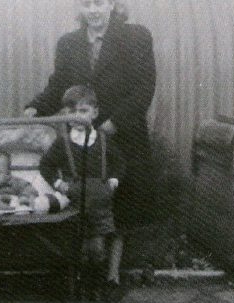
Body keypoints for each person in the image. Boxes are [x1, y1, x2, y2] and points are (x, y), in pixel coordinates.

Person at [25, 0, 157, 231]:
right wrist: (35, 108)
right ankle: (85, 264)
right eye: (86, 4)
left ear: (112, 4)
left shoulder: (136, 36)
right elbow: (58, 85)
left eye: (99, 2)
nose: (93, 10)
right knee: (82, 208)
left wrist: (114, 123)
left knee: (125, 210)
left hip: (124, 137)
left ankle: (120, 266)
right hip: (81, 143)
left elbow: (143, 89)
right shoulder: (69, 43)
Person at [39, 86, 125, 300]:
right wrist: (59, 184)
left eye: (83, 111)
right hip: (75, 203)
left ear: (95, 113)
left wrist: (113, 181)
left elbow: (120, 163)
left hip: (100, 204)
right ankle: (80, 286)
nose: (78, 117)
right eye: (72, 112)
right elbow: (46, 166)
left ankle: (96, 287)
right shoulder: (63, 142)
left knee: (97, 250)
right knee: (80, 249)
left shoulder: (104, 140)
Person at [0, 149, 68, 214]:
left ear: (7, 174)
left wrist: (24, 198)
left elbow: (29, 188)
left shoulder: (14, 182)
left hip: (16, 216)